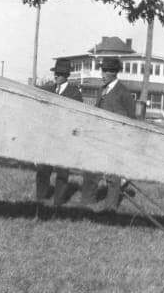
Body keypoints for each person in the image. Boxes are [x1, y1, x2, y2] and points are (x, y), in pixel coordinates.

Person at [81, 56, 136, 211]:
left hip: (116, 141)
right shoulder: (101, 90)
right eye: (102, 70)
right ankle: (86, 204)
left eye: (106, 71)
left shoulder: (123, 93)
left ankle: (110, 209)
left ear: (114, 72)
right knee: (91, 172)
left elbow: (132, 120)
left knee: (113, 177)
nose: (102, 74)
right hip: (99, 139)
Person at [35, 59, 83, 206]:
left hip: (64, 139)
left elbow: (75, 118)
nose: (56, 76)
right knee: (43, 170)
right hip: (48, 137)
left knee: (62, 173)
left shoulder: (74, 94)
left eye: (59, 74)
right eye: (55, 73)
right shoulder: (48, 90)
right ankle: (40, 198)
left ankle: (58, 202)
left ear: (66, 75)